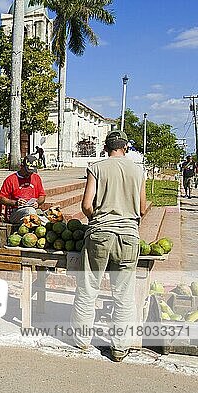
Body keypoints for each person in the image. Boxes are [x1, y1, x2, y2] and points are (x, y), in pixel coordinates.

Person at [71, 130, 147, 362]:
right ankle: (119, 348)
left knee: (88, 288)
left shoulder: (97, 167)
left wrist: (97, 218)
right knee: (123, 295)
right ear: (125, 147)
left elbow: (86, 205)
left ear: (106, 147)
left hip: (100, 234)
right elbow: (142, 209)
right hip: (128, 237)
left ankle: (82, 342)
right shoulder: (138, 170)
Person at [0, 154, 46, 224]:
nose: (29, 174)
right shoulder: (11, 179)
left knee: (46, 217)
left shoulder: (36, 178)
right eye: (27, 171)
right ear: (21, 166)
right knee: (30, 212)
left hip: (33, 210)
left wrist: (37, 202)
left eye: (31, 172)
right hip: (16, 211)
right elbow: (1, 198)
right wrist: (15, 203)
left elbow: (42, 196)